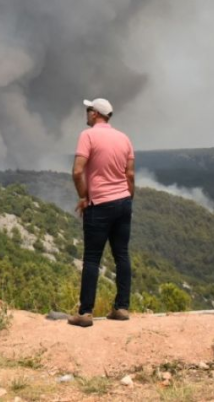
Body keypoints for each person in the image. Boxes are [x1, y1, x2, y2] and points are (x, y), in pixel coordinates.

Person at [67, 98, 135, 328]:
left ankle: (85, 313)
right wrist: (128, 200)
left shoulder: (88, 136)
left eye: (88, 110)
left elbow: (77, 172)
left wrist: (84, 197)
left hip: (100, 205)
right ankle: (121, 308)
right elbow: (130, 175)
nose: (86, 113)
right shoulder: (124, 138)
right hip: (123, 202)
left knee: (92, 258)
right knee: (122, 255)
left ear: (95, 114)